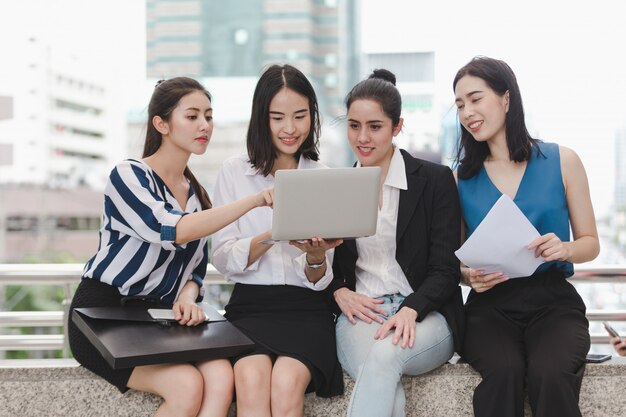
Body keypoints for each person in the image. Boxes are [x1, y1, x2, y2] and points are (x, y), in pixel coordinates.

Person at [68, 77, 273, 417]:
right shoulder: (129, 175)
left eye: (208, 116)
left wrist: (188, 297)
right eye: (192, 116)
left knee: (221, 375)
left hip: (158, 320)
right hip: (102, 316)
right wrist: (253, 201)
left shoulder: (197, 195)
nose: (204, 125)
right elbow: (168, 229)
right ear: (161, 124)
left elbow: (195, 269)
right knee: (187, 386)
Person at [453, 56, 600, 417]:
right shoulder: (461, 178)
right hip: (489, 307)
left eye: (475, 98)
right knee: (503, 372)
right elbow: (454, 259)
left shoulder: (562, 160)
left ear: (506, 99)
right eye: (459, 104)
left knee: (550, 373)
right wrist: (466, 276)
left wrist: (563, 248)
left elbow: (590, 243)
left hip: (553, 302)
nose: (467, 111)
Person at [327, 69, 465, 417]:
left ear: (397, 127)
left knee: (386, 356)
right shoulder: (338, 187)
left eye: (375, 126)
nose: (363, 137)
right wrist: (338, 291)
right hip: (361, 314)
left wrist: (411, 308)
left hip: (426, 313)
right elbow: (329, 266)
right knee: (385, 380)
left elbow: (445, 269)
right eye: (354, 125)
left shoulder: (434, 180)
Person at [211, 64, 344, 417]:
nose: (290, 129)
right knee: (250, 380)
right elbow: (222, 259)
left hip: (306, 311)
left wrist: (316, 258)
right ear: (261, 119)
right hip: (250, 308)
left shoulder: (323, 177)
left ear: (312, 117)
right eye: (277, 117)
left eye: (300, 116)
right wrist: (274, 233)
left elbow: (319, 278)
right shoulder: (233, 172)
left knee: (286, 384)